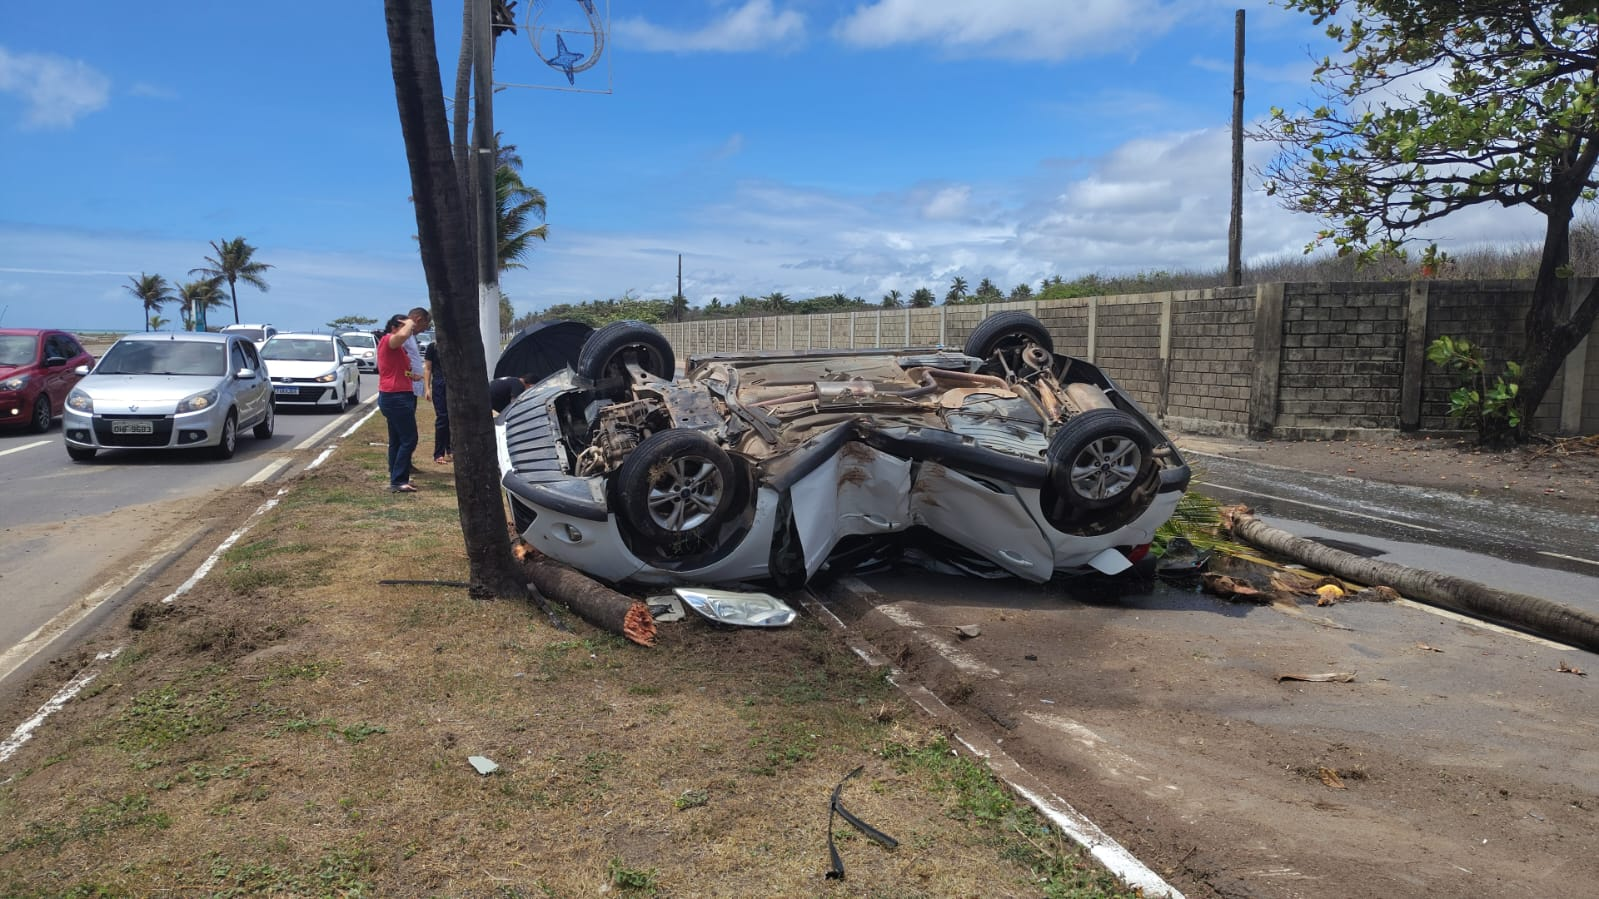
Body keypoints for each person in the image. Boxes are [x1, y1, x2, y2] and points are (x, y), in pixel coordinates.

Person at [377, 312, 426, 493]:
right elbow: (403, 335)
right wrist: (410, 322)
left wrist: (411, 376)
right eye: (404, 327)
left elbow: (393, 370)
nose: (410, 332)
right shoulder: (388, 340)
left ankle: (397, 476)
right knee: (409, 439)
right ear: (393, 328)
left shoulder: (396, 348)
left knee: (397, 440)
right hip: (395, 397)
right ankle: (398, 480)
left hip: (398, 394)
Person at [422, 334, 450, 463]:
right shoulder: (433, 347)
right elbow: (428, 368)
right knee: (443, 418)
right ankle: (439, 453)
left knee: (453, 418)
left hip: (454, 385)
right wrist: (427, 388)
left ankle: (451, 449)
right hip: (439, 384)